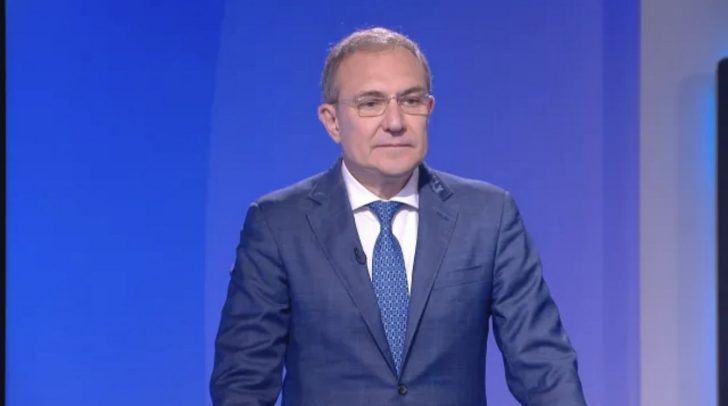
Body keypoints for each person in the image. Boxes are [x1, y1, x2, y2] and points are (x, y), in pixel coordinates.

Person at [211, 27, 586, 406]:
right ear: (332, 121)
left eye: (411, 100)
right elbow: (244, 382)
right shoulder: (278, 225)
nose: (395, 121)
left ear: (429, 110)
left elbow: (543, 366)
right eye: (370, 103)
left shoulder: (488, 216)